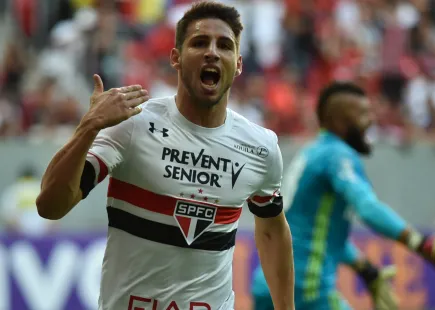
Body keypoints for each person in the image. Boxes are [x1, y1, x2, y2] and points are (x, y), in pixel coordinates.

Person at [36, 2, 294, 310]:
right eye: (199, 42)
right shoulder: (131, 124)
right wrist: (88, 128)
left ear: (237, 64)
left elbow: (272, 230)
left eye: (224, 45)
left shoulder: (260, 147)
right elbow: (50, 206)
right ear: (176, 58)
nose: (212, 52)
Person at [252, 81, 435, 310]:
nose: (371, 121)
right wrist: (422, 244)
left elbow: (317, 234)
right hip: (305, 285)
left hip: (268, 282)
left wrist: (367, 270)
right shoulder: (338, 155)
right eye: (363, 114)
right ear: (341, 121)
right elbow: (367, 207)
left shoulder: (312, 153)